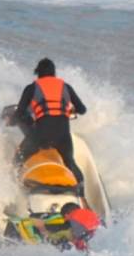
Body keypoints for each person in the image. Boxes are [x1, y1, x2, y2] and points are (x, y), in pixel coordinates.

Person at [13, 57, 87, 190]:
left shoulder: (32, 88)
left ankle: (15, 190)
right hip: (63, 136)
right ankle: (81, 193)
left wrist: (13, 121)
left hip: (41, 136)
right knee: (70, 162)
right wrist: (70, 110)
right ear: (54, 73)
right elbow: (82, 110)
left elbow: (19, 113)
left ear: (38, 73)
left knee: (18, 159)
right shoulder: (66, 87)